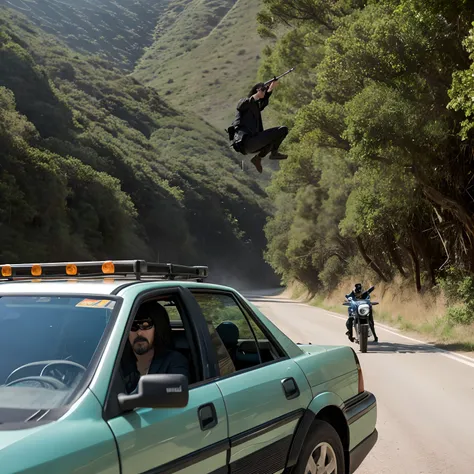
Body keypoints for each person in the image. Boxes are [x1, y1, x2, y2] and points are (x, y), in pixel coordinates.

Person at [121, 300, 189, 393]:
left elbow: (174, 398)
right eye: (133, 327)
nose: (139, 333)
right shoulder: (116, 362)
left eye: (146, 326)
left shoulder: (174, 361)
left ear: (158, 328)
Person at [229, 80, 289, 173]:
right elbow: (241, 105)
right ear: (257, 90)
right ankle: (274, 153)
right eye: (262, 91)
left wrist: (270, 89)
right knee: (283, 130)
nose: (263, 94)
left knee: (276, 136)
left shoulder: (255, 107)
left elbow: (262, 104)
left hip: (253, 144)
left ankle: (258, 158)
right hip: (247, 142)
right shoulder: (244, 102)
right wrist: (256, 95)